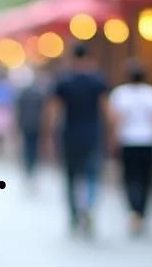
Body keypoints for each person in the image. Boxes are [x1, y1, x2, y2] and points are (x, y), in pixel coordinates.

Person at [46, 42, 109, 235]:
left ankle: (74, 214)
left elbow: (54, 112)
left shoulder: (63, 81)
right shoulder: (98, 80)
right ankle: (88, 207)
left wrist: (49, 137)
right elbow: (106, 110)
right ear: (89, 57)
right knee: (92, 174)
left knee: (71, 177)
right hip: (92, 134)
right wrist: (111, 134)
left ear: (72, 57)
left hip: (69, 134)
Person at [107, 59, 152, 235]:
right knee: (146, 179)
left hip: (127, 141)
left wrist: (112, 143)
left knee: (130, 179)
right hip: (148, 141)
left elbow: (116, 122)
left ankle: (134, 211)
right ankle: (141, 212)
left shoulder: (120, 94)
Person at [13, 66, 46, 181]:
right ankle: (33, 167)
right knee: (34, 147)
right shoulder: (39, 94)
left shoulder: (23, 94)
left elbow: (19, 111)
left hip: (26, 124)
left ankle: (29, 167)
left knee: (28, 147)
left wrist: (17, 125)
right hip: (37, 124)